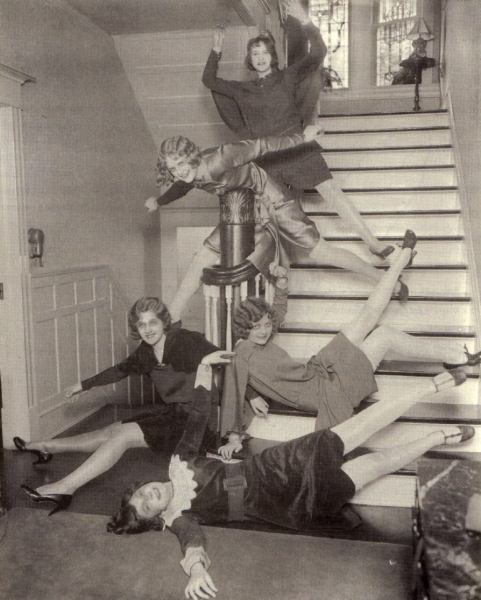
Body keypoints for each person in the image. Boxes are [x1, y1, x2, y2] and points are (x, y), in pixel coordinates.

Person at [106, 354, 474, 600]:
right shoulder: (179, 516)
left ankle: (435, 384)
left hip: (281, 462)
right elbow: (191, 542)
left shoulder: (178, 461)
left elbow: (198, 417)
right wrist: (196, 571)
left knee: (361, 424)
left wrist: (204, 369)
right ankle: (440, 436)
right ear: (156, 518)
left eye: (141, 494)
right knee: (376, 464)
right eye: (147, 507)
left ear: (141, 486)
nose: (149, 496)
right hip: (292, 500)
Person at [218, 230, 481, 458]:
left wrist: (283, 283)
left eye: (266, 325)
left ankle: (403, 262)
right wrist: (234, 436)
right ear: (244, 329)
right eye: (256, 328)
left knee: (369, 316)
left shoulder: (259, 340)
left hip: (319, 367)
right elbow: (232, 391)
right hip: (328, 391)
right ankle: (455, 353)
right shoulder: (240, 355)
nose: (265, 331)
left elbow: (276, 312)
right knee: (384, 335)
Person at [145, 126, 405, 323]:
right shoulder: (188, 176)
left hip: (272, 199)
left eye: (181, 164)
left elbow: (263, 145)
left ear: (192, 156)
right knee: (205, 253)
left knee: (320, 252)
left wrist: (304, 137)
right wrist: (159, 201)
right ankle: (174, 314)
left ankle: (386, 280)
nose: (179, 172)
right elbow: (181, 187)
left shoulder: (221, 157)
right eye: (173, 168)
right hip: (241, 208)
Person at [201, 0, 396, 263]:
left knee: (332, 193)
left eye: (265, 52)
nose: (260, 57)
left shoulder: (287, 77)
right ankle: (282, 269)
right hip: (268, 158)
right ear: (250, 59)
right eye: (255, 53)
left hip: (298, 148)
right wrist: (216, 50)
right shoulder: (241, 89)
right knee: (279, 216)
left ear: (272, 56)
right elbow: (209, 80)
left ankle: (373, 243)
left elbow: (319, 52)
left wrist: (305, 20)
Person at [15, 297, 234, 515]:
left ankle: (64, 488)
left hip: (197, 422)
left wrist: (235, 427)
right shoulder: (146, 352)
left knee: (123, 436)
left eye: (153, 322)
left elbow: (227, 358)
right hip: (174, 414)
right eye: (141, 324)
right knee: (111, 431)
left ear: (164, 322)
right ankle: (47, 447)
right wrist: (83, 385)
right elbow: (119, 371)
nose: (148, 330)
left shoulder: (185, 340)